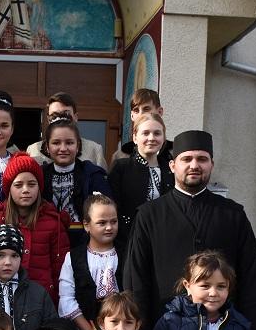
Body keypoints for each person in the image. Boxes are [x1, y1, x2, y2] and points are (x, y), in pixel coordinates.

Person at [124, 130, 256, 330]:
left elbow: (250, 274)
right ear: (172, 166)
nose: (194, 165)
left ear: (211, 165)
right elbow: (136, 276)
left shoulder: (233, 214)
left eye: (202, 159)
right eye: (186, 159)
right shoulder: (149, 215)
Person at [0, 152, 69, 303]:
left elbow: (61, 270)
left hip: (42, 301)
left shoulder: (53, 223)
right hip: (2, 301)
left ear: (39, 187)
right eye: (18, 185)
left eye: (31, 184)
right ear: (9, 188)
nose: (25, 190)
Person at [38, 117, 112, 249]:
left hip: (85, 244)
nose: (63, 148)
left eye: (69, 143)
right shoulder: (39, 175)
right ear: (47, 147)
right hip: (46, 243)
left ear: (78, 146)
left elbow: (106, 212)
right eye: (56, 143)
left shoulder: (93, 175)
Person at [59, 193, 121, 330]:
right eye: (102, 223)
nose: (109, 227)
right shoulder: (73, 258)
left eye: (113, 221)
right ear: (86, 225)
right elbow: (66, 298)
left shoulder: (126, 253)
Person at [108, 112, 173, 254]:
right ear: (135, 137)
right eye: (146, 133)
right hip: (128, 242)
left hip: (164, 241)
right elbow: (112, 206)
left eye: (157, 133)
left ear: (163, 138)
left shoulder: (171, 169)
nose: (152, 138)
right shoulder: (121, 167)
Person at [25, 92, 106, 169]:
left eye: (66, 114)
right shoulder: (33, 150)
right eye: (54, 116)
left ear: (75, 117)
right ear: (48, 119)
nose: (60, 119)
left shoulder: (94, 150)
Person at [110, 89, 170, 165]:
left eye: (146, 109)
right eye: (136, 110)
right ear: (132, 116)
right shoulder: (120, 156)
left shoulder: (175, 153)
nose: (141, 115)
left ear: (159, 112)